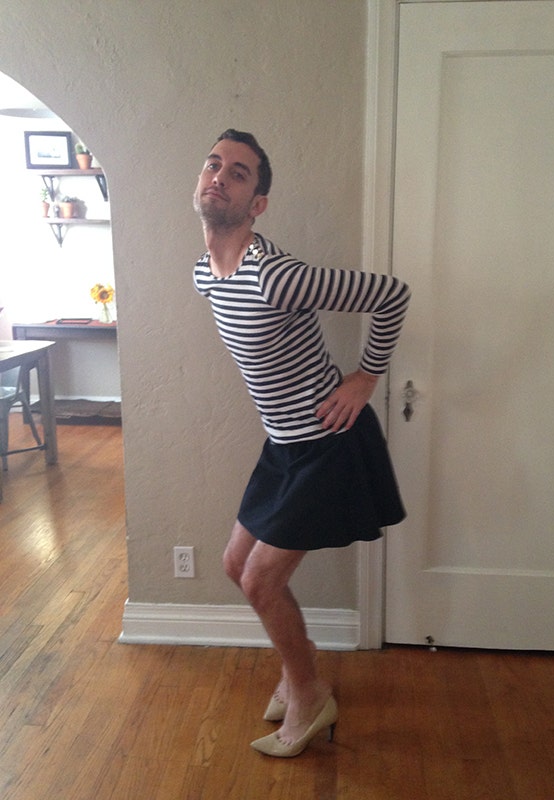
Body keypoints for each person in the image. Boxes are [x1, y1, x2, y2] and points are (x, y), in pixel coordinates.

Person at [192, 129, 410, 758]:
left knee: (260, 581)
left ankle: (311, 696)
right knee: (238, 566)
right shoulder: (207, 272)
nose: (220, 176)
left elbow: (389, 296)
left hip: (327, 442)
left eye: (239, 173)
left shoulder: (276, 276)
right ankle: (300, 666)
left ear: (257, 202)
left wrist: (365, 376)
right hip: (283, 444)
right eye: (214, 164)